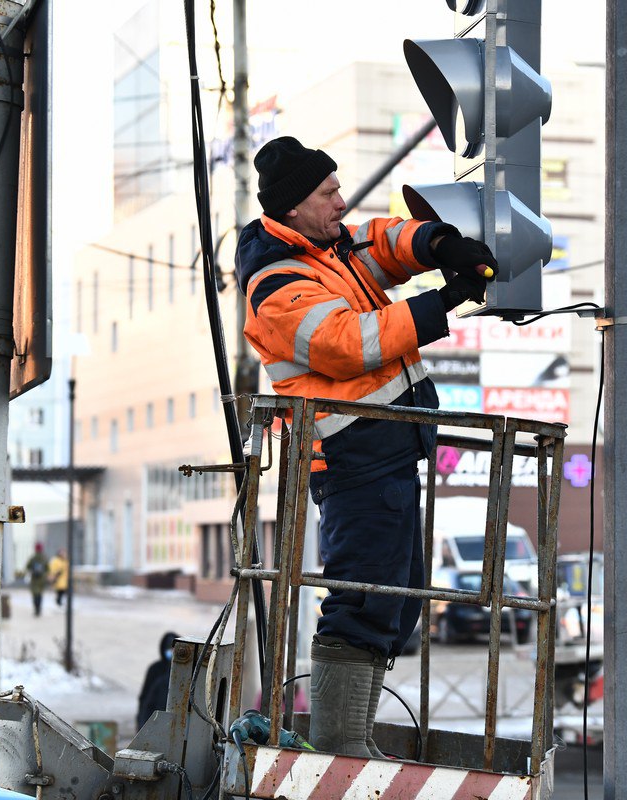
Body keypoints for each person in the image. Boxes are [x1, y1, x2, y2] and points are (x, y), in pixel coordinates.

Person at [234, 135, 497, 757]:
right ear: (293, 206)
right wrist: (443, 301)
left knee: (395, 597)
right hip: (352, 455)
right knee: (364, 598)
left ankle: (349, 740)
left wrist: (438, 243)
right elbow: (346, 344)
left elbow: (383, 243)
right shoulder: (277, 282)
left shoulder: (329, 250)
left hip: (384, 450)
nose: (341, 202)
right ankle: (342, 745)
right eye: (328, 193)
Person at [136, 631, 178, 729]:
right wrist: (140, 724)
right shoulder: (155, 669)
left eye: (173, 648)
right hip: (154, 720)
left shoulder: (185, 672)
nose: (171, 652)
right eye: (168, 649)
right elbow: (145, 699)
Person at [24, 543, 50, 617]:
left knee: (35, 594)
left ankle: (36, 609)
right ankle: (39, 609)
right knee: (40, 594)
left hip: (34, 579)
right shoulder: (44, 558)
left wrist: (32, 570)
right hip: (42, 579)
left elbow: (27, 567)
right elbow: (48, 569)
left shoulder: (33, 558)